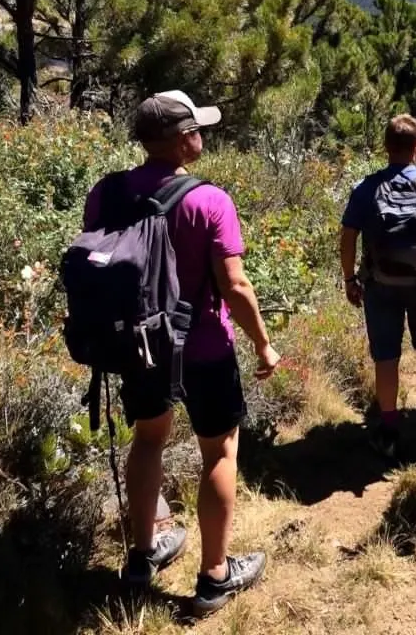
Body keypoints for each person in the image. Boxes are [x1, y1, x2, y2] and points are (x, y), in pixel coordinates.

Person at [83, 90, 279, 617]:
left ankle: (143, 554)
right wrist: (263, 343)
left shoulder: (106, 192)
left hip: (139, 346)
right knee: (219, 452)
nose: (202, 136)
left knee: (149, 440)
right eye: (197, 129)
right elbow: (234, 286)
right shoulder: (208, 201)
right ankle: (214, 577)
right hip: (204, 345)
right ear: (181, 139)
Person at [340, 114, 416, 460]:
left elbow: (348, 236)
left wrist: (350, 278)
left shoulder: (366, 188)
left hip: (380, 284)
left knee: (386, 357)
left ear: (386, 147)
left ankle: (390, 429)